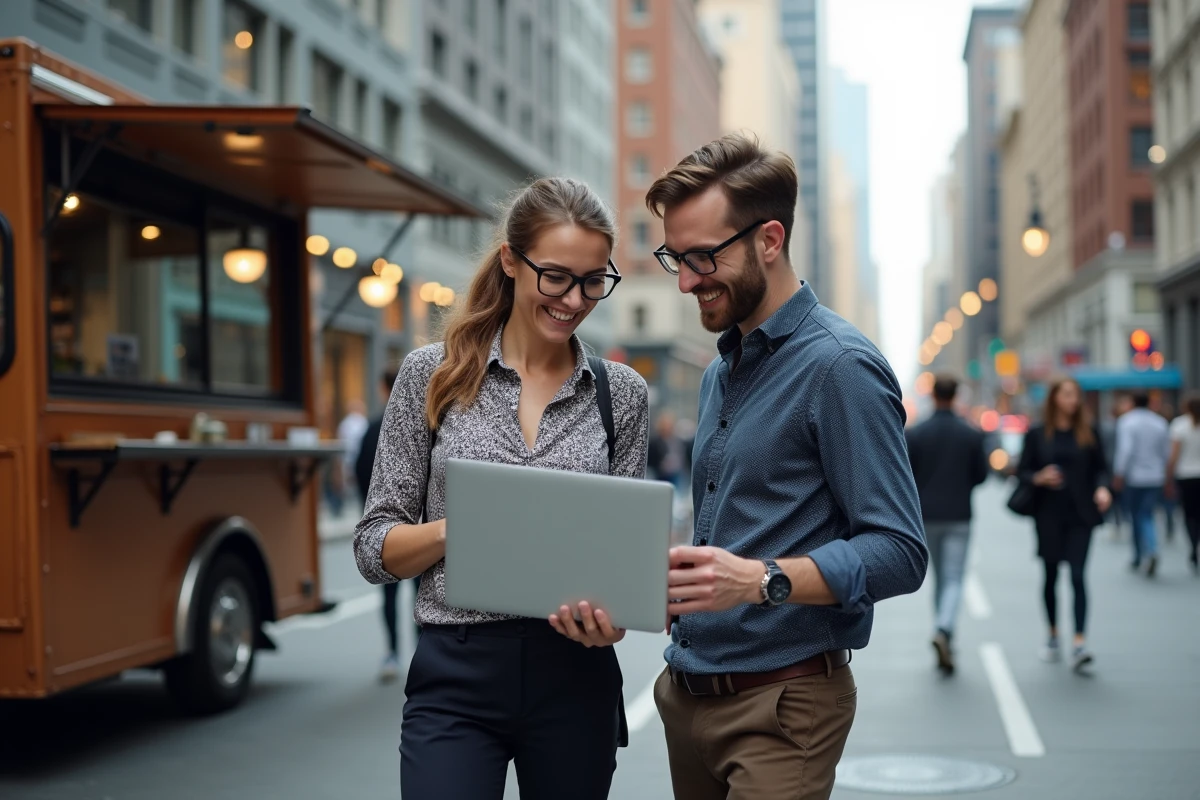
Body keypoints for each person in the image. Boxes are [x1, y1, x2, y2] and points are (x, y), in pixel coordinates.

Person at [644, 133, 927, 800]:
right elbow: (741, 529)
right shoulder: (721, 371)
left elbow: (901, 552)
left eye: (704, 257)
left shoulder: (841, 366)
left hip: (783, 707)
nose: (685, 281)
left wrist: (762, 579)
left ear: (769, 240)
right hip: (686, 696)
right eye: (675, 258)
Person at [353, 177, 648, 799]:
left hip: (575, 674)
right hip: (456, 673)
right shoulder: (430, 376)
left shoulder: (621, 395)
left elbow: (620, 564)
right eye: (557, 277)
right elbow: (373, 548)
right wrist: (463, 530)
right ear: (511, 261)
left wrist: (612, 620)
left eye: (594, 280)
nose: (575, 300)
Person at [1016, 377, 1112, 672]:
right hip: (1048, 514)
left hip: (1081, 515)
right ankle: (1053, 634)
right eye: (1068, 394)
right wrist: (1039, 477)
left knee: (1079, 575)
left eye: (1076, 395)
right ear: (1055, 397)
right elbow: (1021, 472)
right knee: (1050, 574)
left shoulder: (1089, 432)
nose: (1074, 400)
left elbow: (1102, 469)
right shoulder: (1036, 434)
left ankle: (1080, 641)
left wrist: (1103, 488)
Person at [904, 376, 989, 676]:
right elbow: (981, 475)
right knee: (954, 578)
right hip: (959, 515)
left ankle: (943, 630)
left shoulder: (916, 434)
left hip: (926, 516)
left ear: (933, 394)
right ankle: (944, 628)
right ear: (956, 396)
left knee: (941, 578)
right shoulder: (971, 434)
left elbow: (906, 475)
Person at [354, 368, 406, 683]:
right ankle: (421, 652)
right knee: (421, 591)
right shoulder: (425, 420)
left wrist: (371, 512)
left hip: (389, 529)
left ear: (383, 388)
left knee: (388, 594)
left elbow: (360, 471)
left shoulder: (374, 426)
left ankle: (392, 653)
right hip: (423, 526)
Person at [1113, 392, 1170, 576]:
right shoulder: (1159, 422)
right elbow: (1165, 452)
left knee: (1137, 516)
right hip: (1155, 476)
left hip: (1134, 477)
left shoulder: (1127, 422)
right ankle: (1146, 551)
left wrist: (1119, 474)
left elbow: (1125, 450)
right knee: (1147, 514)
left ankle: (1143, 553)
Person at [1166, 394, 1200, 572]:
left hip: (1186, 476)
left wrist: (1168, 477)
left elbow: (1173, 455)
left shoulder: (1180, 425)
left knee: (1189, 514)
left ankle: (1193, 544)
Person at [648, 409, 688, 490]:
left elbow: (682, 456)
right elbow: (651, 460)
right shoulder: (655, 441)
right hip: (659, 475)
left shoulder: (677, 440)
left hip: (676, 474)